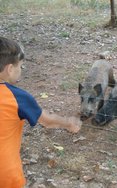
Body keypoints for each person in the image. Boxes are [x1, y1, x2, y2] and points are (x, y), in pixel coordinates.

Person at [0, 37, 82, 187]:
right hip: (5, 175)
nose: (21, 71)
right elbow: (47, 120)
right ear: (10, 69)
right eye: (20, 67)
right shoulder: (19, 98)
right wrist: (68, 123)